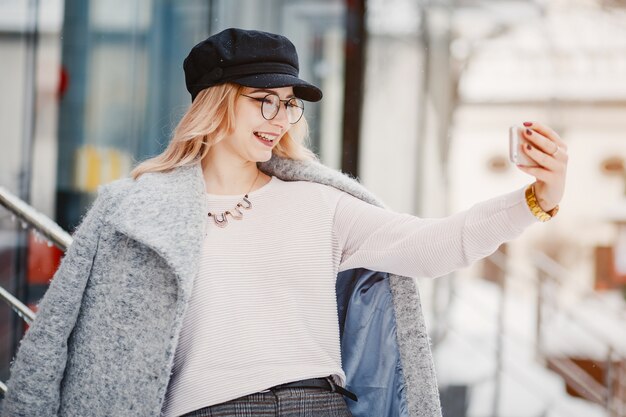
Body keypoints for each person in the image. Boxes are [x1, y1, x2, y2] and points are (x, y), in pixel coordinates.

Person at [2, 28, 568, 417]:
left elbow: (433, 246)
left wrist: (538, 196)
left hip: (314, 405)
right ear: (216, 102)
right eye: (262, 101)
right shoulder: (133, 212)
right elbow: (53, 340)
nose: (280, 118)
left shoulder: (317, 204)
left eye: (289, 103)